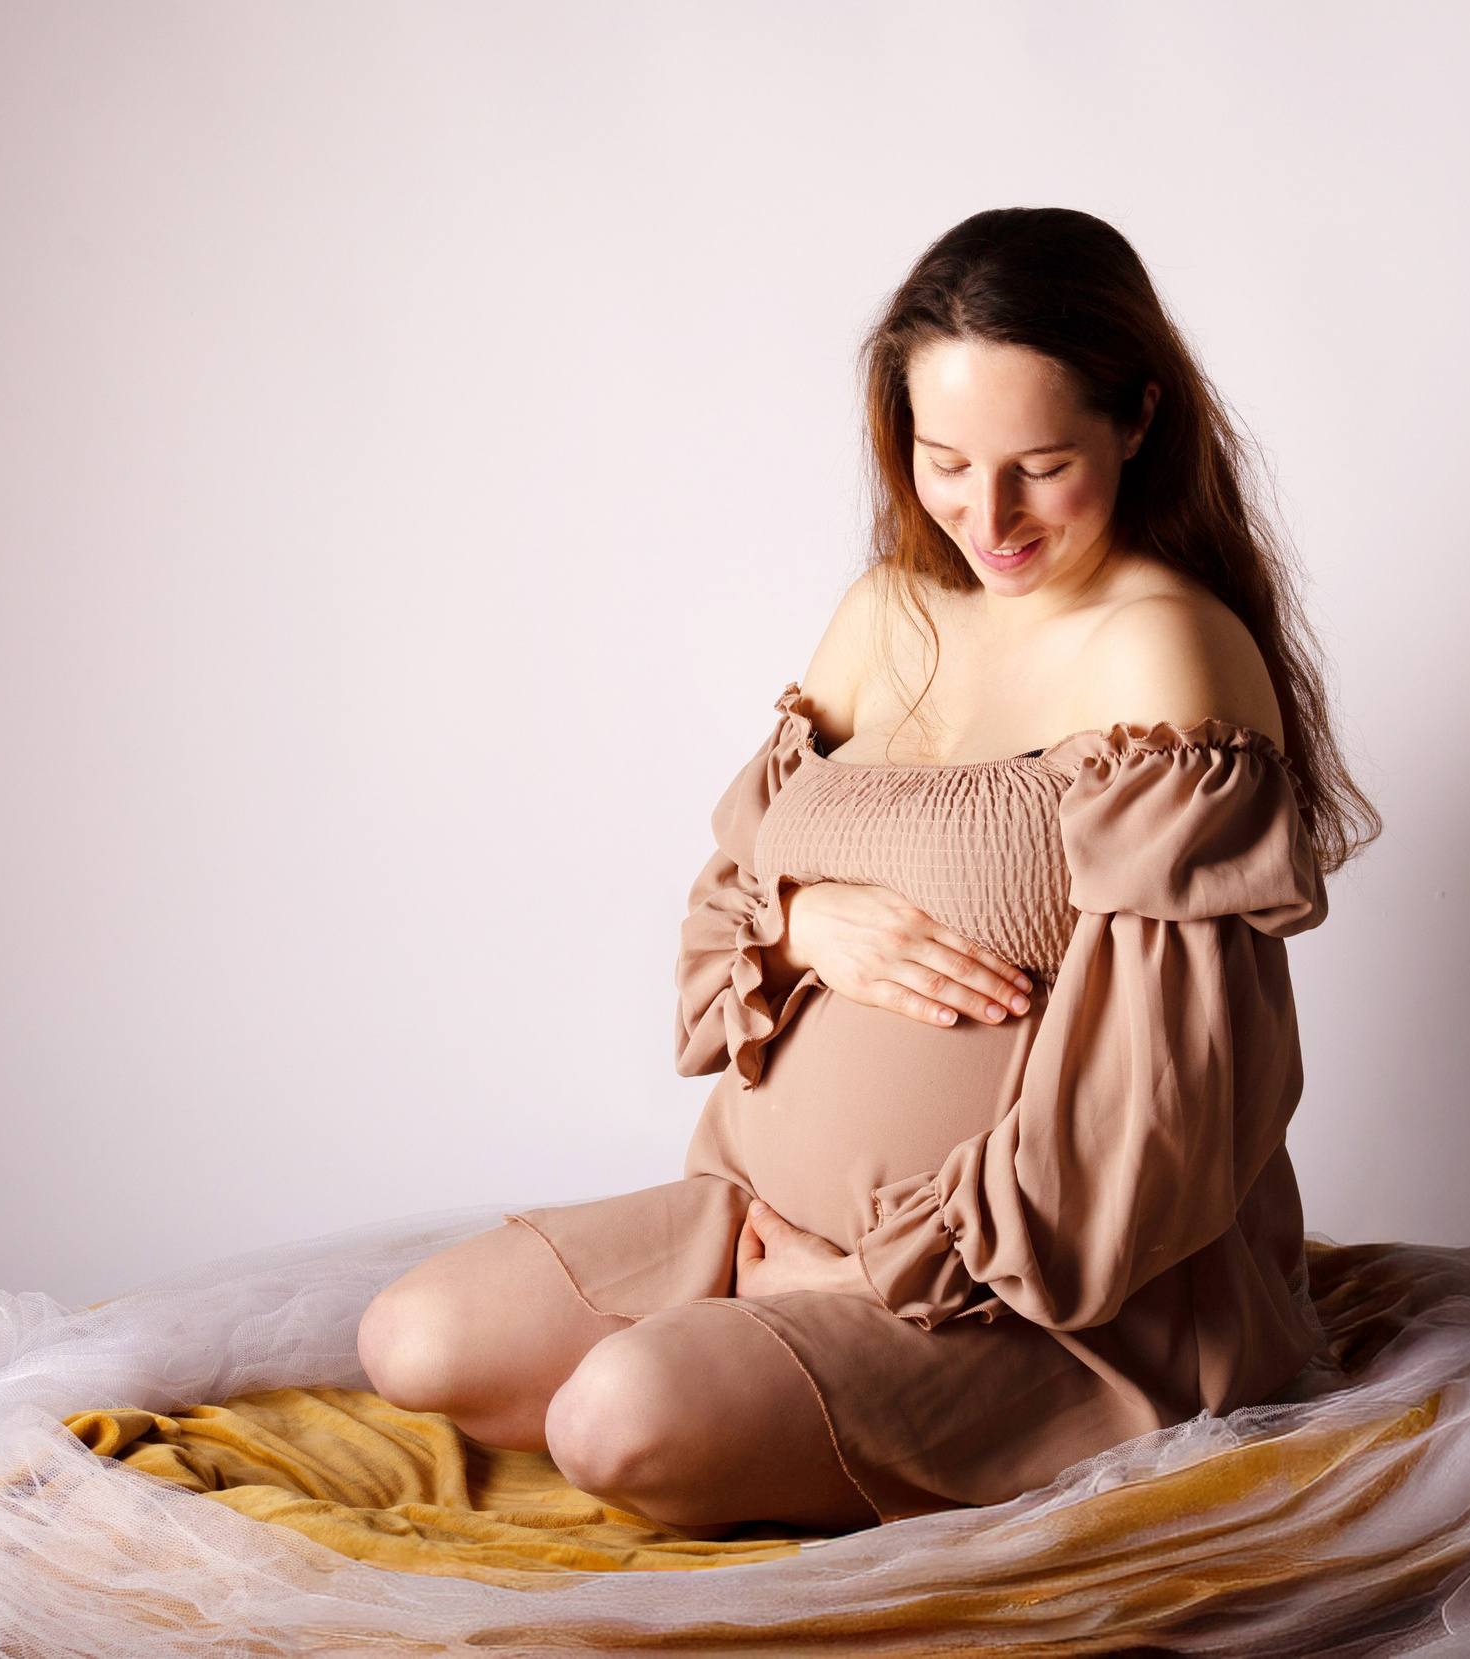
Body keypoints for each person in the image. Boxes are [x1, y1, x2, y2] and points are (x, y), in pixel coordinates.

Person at [357, 207, 1378, 1534]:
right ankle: (753, 1368)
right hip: (757, 1219)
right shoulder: (885, 612)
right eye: (943, 460)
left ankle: (863, 1391)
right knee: (413, 1341)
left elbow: (1172, 1111)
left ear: (1138, 420)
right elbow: (730, 899)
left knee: (616, 1421)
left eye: (1041, 464)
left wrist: (867, 1283)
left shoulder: (1165, 652)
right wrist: (799, 926)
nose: (986, 516)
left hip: (1031, 1302)